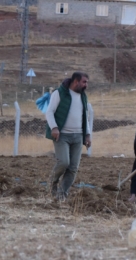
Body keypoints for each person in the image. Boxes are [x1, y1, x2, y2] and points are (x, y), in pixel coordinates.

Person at [45, 72, 91, 201]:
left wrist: (87, 135)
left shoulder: (83, 96)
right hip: (62, 136)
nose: (86, 85)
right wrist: (54, 127)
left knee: (73, 168)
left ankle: (62, 194)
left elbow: (84, 117)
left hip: (78, 137)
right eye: (84, 82)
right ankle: (52, 183)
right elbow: (49, 112)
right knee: (64, 162)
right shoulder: (59, 93)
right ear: (76, 81)